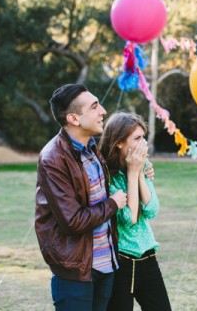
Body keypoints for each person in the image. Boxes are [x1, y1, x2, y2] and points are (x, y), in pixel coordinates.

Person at [35, 84, 127, 311]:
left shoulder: (92, 148)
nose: (103, 111)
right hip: (76, 271)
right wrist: (113, 203)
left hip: (106, 264)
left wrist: (142, 168)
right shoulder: (53, 158)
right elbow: (72, 221)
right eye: (94, 107)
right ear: (74, 119)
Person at [99, 112, 172, 311]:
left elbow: (151, 210)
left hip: (148, 257)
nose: (143, 144)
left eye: (143, 137)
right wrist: (132, 173)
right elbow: (129, 218)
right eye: (137, 138)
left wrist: (139, 172)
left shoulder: (143, 167)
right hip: (122, 262)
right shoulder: (107, 178)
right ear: (119, 143)